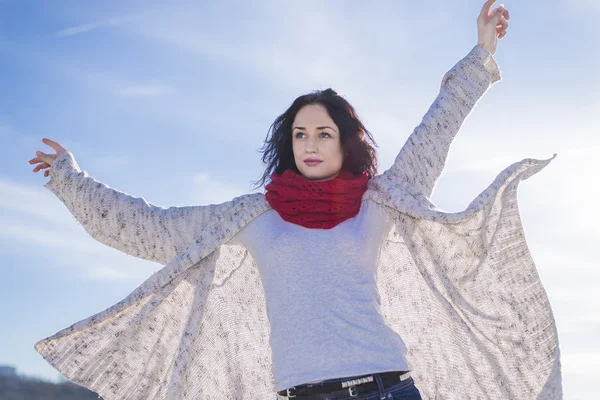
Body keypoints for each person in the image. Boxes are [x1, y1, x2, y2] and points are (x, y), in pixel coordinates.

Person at [29, 1, 562, 399]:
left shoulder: (378, 203)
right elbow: (148, 228)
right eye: (300, 133)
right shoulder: (253, 215)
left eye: (323, 133)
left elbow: (433, 133)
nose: (310, 144)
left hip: (385, 388)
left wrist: (479, 58)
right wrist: (71, 180)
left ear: (344, 142)